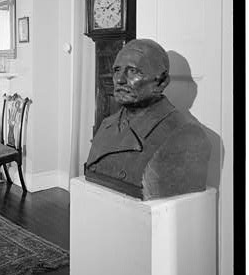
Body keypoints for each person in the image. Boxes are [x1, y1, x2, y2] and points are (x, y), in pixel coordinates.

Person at [84, 38, 211, 200]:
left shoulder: (186, 134)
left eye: (133, 71)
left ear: (161, 82)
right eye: (117, 70)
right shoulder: (106, 124)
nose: (120, 79)